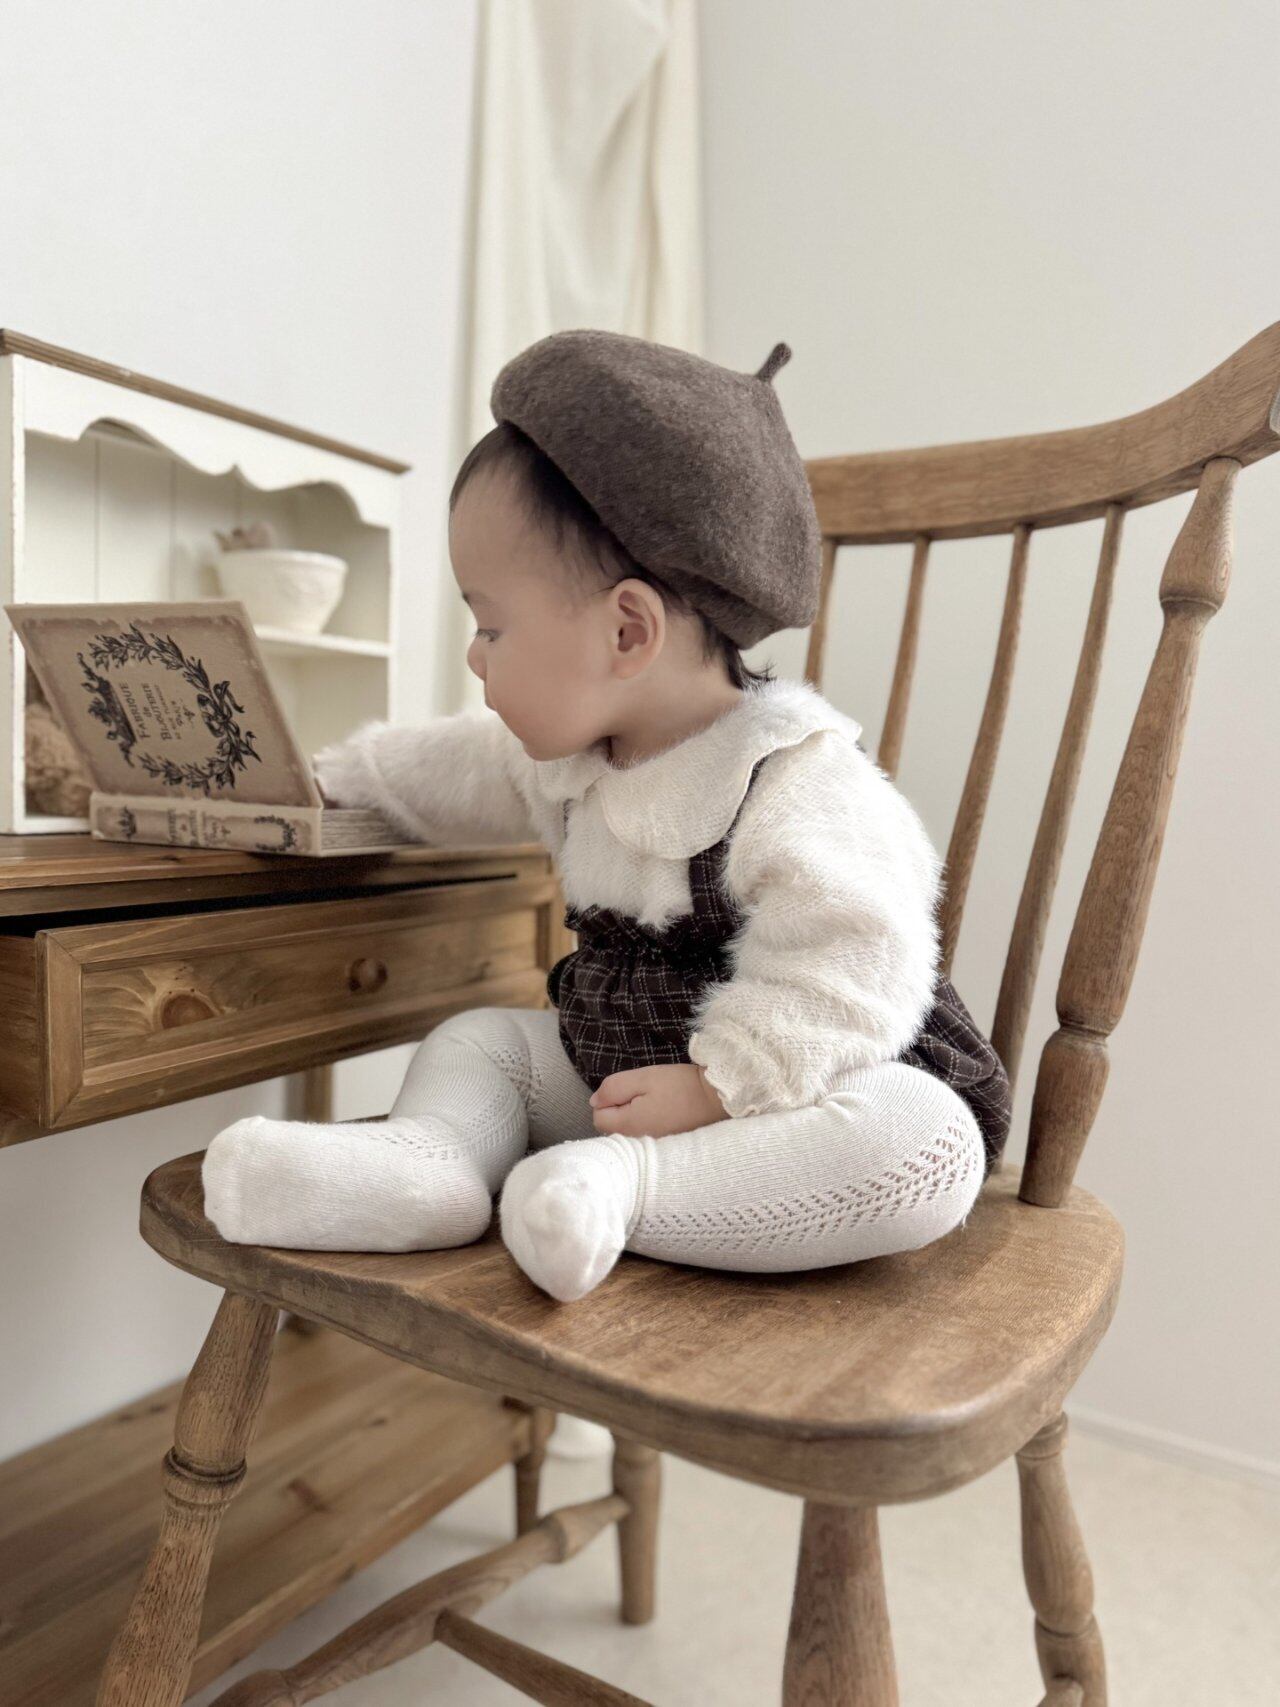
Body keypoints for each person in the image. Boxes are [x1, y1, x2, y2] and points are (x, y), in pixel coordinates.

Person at [202, 329, 1011, 1302]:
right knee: (481, 1043)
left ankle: (619, 1192)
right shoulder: (570, 761)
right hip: (616, 1084)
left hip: (787, 1095)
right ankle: (435, 1164)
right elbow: (443, 768)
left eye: (490, 625)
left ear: (627, 631)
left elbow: (856, 961)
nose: (475, 656)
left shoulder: (790, 781)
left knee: (926, 1143)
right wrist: (329, 781)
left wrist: (717, 1088)